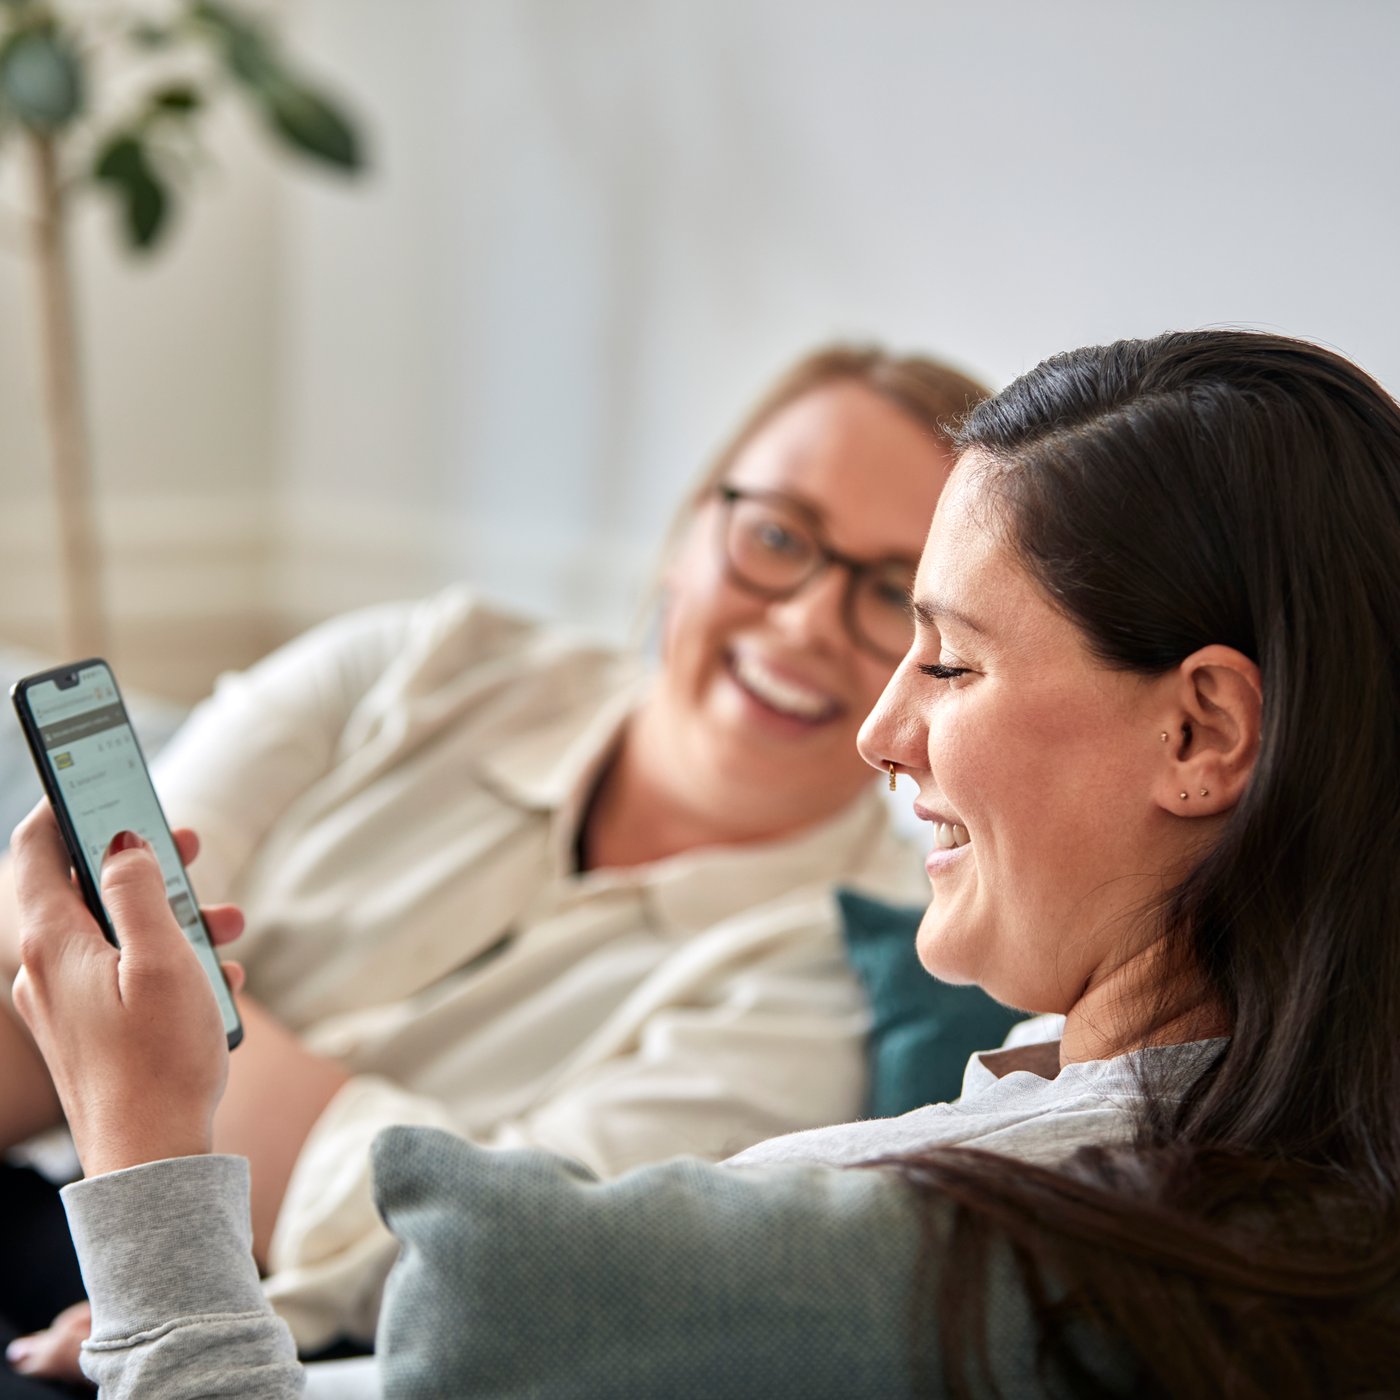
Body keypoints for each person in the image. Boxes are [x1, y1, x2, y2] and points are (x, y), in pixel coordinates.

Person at [13, 327, 1400, 1397]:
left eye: (948, 654)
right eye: (776, 534)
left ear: (1204, 732)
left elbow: (419, 1288)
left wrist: (147, 1130)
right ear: (689, 526)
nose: (880, 724)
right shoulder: (1289, 1162)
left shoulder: (870, 1224)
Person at [0, 343, 991, 1382]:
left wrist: (144, 1054)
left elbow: (482, 1255)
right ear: (689, 530)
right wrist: (143, 1047)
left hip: (265, 1339)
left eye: (891, 592)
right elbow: (59, 952)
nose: (801, 621)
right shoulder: (417, 661)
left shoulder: (845, 970)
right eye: (777, 535)